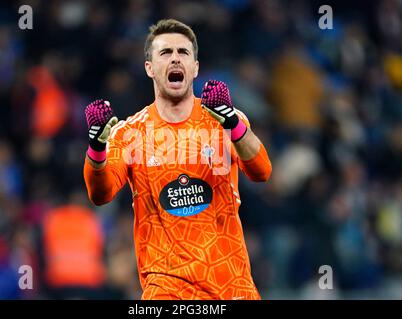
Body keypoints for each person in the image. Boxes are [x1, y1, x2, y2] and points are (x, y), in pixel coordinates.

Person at [83, 19, 272, 300]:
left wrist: (233, 124)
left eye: (183, 52)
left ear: (195, 67)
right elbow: (101, 193)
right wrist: (97, 150)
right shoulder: (130, 132)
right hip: (167, 289)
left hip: (230, 284)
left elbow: (262, 172)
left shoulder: (224, 119)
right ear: (150, 68)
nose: (175, 58)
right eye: (165, 52)